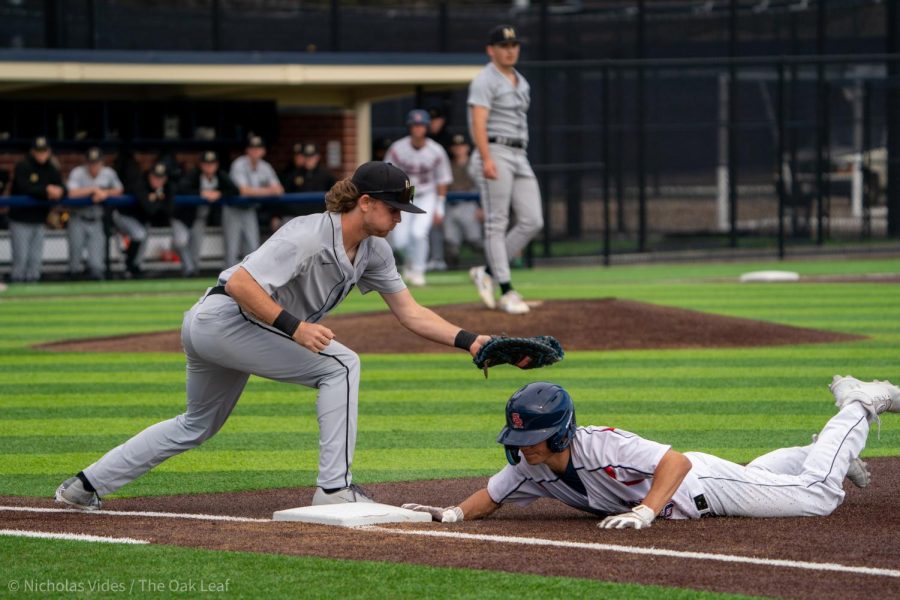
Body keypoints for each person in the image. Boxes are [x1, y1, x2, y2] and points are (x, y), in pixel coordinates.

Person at [54, 161, 492, 511]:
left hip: (224, 326)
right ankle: (335, 488)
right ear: (364, 203)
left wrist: (472, 341)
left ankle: (84, 485)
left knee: (196, 424)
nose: (400, 218)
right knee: (340, 365)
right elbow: (243, 284)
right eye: (394, 208)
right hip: (225, 317)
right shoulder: (308, 233)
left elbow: (410, 313)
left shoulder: (374, 250)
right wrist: (296, 328)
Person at [403, 376, 896, 527]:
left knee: (817, 496)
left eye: (526, 438)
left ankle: (858, 404)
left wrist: (644, 510)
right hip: (699, 486)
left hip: (701, 486)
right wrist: (448, 515)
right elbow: (488, 497)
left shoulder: (602, 444)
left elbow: (675, 463)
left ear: (557, 433)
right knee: (764, 474)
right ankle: (822, 451)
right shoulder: (533, 467)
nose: (519, 449)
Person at [467, 24, 543, 315]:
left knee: (532, 220)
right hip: (495, 150)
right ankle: (507, 290)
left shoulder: (521, 81)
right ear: (491, 50)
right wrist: (486, 157)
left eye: (513, 45)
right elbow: (478, 121)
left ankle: (485, 271)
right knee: (496, 222)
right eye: (503, 45)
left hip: (519, 152)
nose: (510, 50)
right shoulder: (485, 79)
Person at [385, 109, 452, 287]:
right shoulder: (397, 148)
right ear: (410, 127)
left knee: (419, 233)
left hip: (427, 193)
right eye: (414, 125)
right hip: (406, 192)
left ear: (426, 127)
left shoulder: (436, 150)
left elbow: (442, 179)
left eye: (421, 125)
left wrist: (440, 206)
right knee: (399, 241)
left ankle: (419, 270)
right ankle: (411, 262)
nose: (418, 129)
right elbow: (388, 174)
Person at [9, 137, 66, 283]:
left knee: (35, 259)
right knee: (21, 258)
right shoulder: (23, 166)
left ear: (49, 151)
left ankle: (33, 287)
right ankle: (17, 287)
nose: (42, 154)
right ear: (32, 152)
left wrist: (59, 191)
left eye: (44, 151)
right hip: (20, 220)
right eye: (38, 151)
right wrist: (46, 190)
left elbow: (63, 187)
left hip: (39, 220)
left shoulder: (51, 168)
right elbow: (24, 188)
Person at [177, 151, 239, 277]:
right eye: (206, 164)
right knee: (181, 241)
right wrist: (201, 193)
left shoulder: (220, 175)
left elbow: (234, 190)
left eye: (212, 164)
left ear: (216, 165)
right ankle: (188, 269)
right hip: (183, 217)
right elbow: (181, 188)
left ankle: (192, 273)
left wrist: (219, 193)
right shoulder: (194, 174)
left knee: (196, 245)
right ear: (201, 165)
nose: (209, 167)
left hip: (201, 217)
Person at [65, 147, 124, 280]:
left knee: (97, 265)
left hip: (96, 220)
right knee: (74, 261)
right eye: (91, 163)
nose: (94, 166)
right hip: (78, 218)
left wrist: (105, 193)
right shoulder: (78, 172)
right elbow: (71, 193)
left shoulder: (108, 173)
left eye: (96, 163)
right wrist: (93, 190)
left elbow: (119, 190)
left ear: (102, 163)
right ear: (86, 162)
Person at [226, 135, 283, 267]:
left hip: (250, 209)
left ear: (263, 151)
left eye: (258, 148)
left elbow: (279, 189)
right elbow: (243, 191)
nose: (255, 151)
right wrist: (268, 191)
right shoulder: (238, 164)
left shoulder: (265, 167)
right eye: (252, 148)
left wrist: (261, 191)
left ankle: (248, 278)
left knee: (252, 246)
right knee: (232, 248)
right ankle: (225, 282)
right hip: (233, 209)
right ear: (247, 150)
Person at [443, 133, 485, 271]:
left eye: (461, 146)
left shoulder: (475, 164)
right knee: (450, 241)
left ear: (467, 147)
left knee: (475, 240)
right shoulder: (447, 164)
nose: (459, 149)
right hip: (450, 204)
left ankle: (489, 265)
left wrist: (482, 207)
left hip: (470, 203)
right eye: (456, 146)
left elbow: (482, 187)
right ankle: (452, 268)